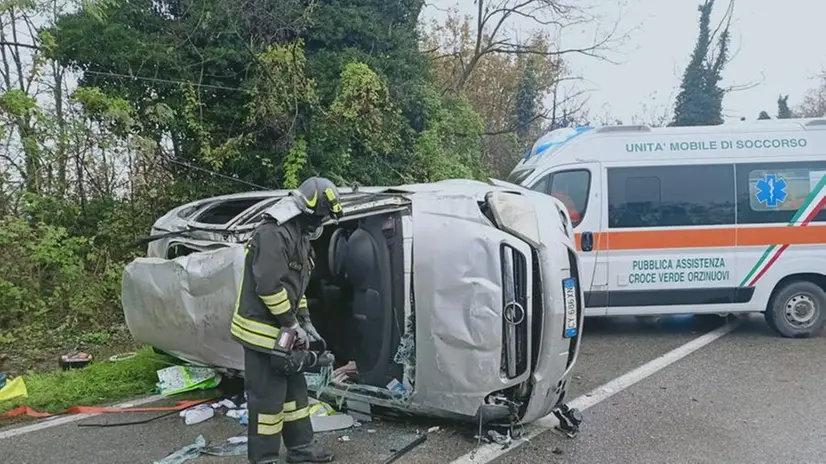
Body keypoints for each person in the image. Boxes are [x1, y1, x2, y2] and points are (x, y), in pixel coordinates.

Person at [230, 176, 344, 464]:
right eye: (321, 216)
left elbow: (297, 288)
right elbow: (268, 286)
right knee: (267, 403)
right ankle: (264, 458)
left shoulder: (301, 237)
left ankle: (301, 448)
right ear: (309, 212)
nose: (322, 223)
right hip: (261, 332)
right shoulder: (273, 233)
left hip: (284, 333)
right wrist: (290, 324)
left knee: (295, 396)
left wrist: (305, 322)